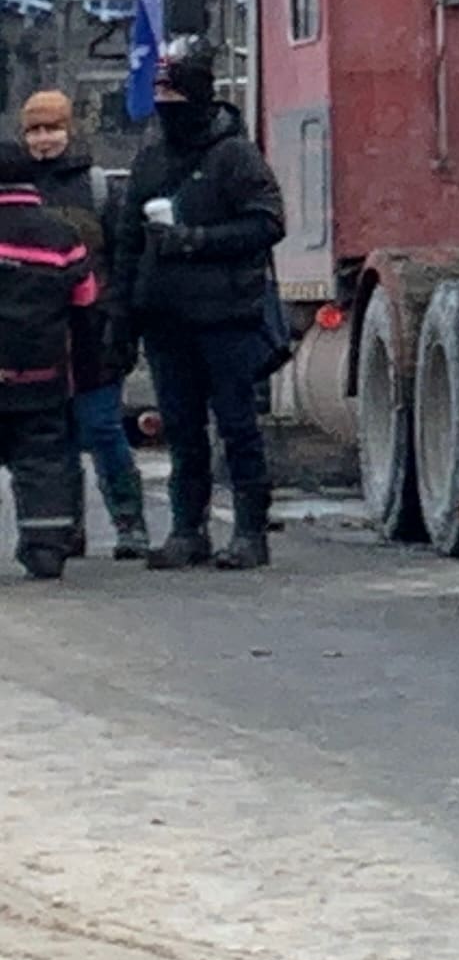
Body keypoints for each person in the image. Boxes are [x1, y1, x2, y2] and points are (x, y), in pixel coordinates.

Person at [106, 50, 289, 572]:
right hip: (165, 317)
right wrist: (122, 318)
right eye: (159, 97)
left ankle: (251, 531)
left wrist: (196, 241)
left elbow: (267, 225)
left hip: (227, 315)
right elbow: (127, 244)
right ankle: (188, 530)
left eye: (176, 96)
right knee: (181, 428)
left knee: (237, 425)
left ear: (200, 98)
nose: (167, 107)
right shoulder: (150, 160)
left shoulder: (235, 156)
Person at [20, 89, 151, 559]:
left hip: (94, 333)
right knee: (57, 437)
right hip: (40, 337)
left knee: (102, 429)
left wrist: (119, 322)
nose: (44, 139)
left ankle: (129, 523)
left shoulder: (98, 188)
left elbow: (121, 258)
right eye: (35, 130)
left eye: (52, 128)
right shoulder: (17, 190)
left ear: (69, 130)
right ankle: (66, 527)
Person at [1, 145, 108, 579]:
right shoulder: (61, 235)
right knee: (43, 462)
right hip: (41, 377)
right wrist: (86, 374)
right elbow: (86, 308)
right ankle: (45, 548)